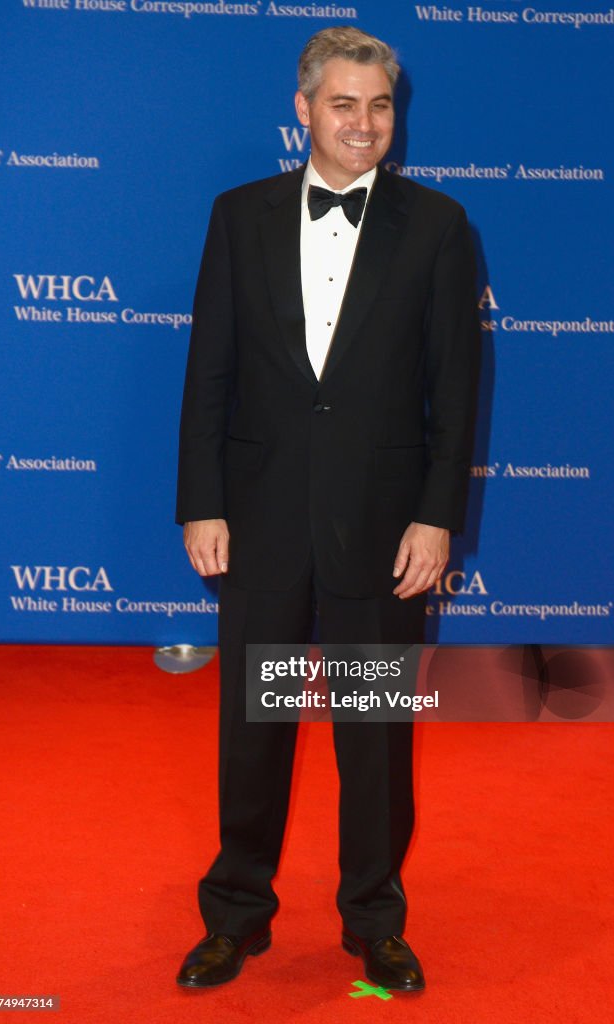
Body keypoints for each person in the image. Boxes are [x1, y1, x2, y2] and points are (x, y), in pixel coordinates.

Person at [175, 26, 480, 993]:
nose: (363, 124)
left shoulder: (436, 227)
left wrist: (436, 518)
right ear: (303, 109)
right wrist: (201, 503)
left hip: (384, 530)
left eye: (380, 105)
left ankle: (373, 922)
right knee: (254, 728)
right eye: (343, 104)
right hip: (259, 519)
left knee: (373, 733)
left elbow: (454, 391)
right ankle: (236, 914)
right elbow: (208, 373)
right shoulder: (239, 216)